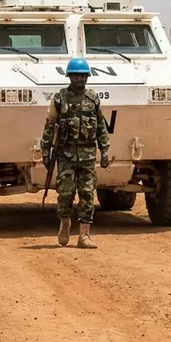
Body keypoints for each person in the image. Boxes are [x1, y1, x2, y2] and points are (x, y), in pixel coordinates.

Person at [41, 58, 111, 249]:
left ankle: (84, 235)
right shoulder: (59, 98)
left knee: (87, 194)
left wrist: (105, 151)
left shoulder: (93, 98)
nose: (79, 79)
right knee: (65, 193)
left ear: (87, 77)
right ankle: (64, 223)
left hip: (88, 155)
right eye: (75, 76)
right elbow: (49, 126)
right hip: (66, 155)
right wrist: (45, 152)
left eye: (82, 76)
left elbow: (100, 128)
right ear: (70, 77)